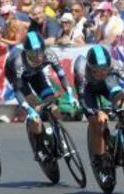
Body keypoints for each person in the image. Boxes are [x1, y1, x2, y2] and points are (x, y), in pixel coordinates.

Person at [74, 45, 124, 185]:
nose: (101, 73)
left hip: (107, 85)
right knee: (97, 124)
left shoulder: (114, 66)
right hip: (88, 91)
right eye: (97, 70)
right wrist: (98, 112)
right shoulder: (81, 70)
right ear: (90, 67)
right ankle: (100, 161)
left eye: (104, 69)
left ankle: (120, 130)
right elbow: (83, 101)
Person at [5, 32, 78, 162]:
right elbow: (18, 91)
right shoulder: (18, 62)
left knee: (53, 106)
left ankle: (59, 135)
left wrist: (71, 95)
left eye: (40, 53)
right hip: (19, 79)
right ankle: (39, 146)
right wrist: (29, 110)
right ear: (26, 53)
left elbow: (62, 76)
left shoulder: (49, 55)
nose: (38, 58)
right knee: (35, 111)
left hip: (37, 75)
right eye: (33, 55)